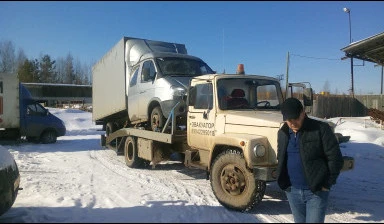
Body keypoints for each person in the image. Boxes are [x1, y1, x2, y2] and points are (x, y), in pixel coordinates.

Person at [276, 97, 344, 223]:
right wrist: (284, 183)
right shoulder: (283, 133)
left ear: (303, 113)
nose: (292, 123)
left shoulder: (320, 129)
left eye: (295, 118)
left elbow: (335, 158)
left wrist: (327, 183)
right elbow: (280, 157)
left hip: (316, 192)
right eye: (288, 120)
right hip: (292, 191)